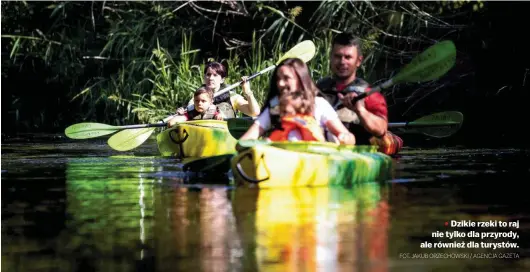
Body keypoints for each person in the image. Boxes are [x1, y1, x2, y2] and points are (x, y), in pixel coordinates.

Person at [315, 32, 403, 155]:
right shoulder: (317, 90)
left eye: (348, 57)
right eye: (337, 56)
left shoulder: (370, 95)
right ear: (330, 57)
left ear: (358, 61)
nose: (342, 62)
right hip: (322, 150)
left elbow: (381, 129)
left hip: (357, 153)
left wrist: (360, 110)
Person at [238, 58, 356, 148]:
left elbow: (349, 137)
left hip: (313, 162)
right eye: (278, 79)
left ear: (300, 80)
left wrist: (344, 138)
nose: (281, 84)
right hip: (282, 162)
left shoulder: (318, 104)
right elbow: (246, 139)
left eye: (286, 78)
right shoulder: (275, 107)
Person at [176, 61, 261, 118]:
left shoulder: (232, 97)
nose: (211, 78)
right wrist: (181, 114)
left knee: (223, 106)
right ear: (204, 77)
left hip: (223, 135)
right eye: (208, 74)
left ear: (222, 79)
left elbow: (255, 113)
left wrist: (248, 92)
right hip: (202, 135)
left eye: (215, 75)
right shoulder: (197, 98)